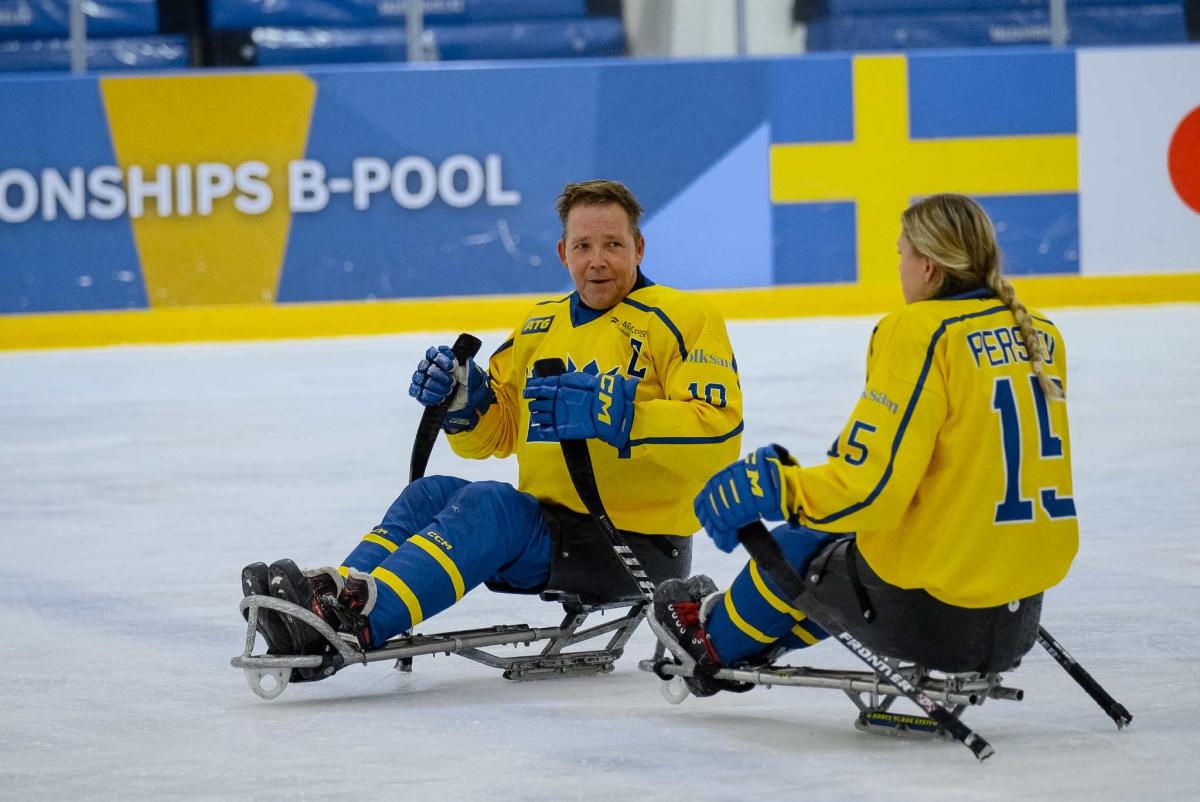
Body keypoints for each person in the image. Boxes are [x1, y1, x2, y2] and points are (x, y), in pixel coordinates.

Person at [242, 179, 743, 669]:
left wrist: (612, 413)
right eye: (583, 245)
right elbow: (498, 435)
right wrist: (466, 400)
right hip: (551, 530)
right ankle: (331, 598)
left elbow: (718, 432)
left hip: (634, 543)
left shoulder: (683, 317)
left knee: (491, 506)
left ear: (638, 247)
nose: (597, 260)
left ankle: (357, 623)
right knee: (431, 493)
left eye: (613, 244)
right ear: (562, 253)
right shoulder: (540, 324)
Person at [653, 193, 1079, 696]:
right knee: (848, 550)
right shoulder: (1040, 333)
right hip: (1016, 612)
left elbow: (869, 489)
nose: (899, 266)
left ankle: (710, 644)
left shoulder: (921, 331)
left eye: (901, 253)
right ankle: (753, 636)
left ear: (927, 265)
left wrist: (776, 488)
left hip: (937, 614)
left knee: (801, 543)